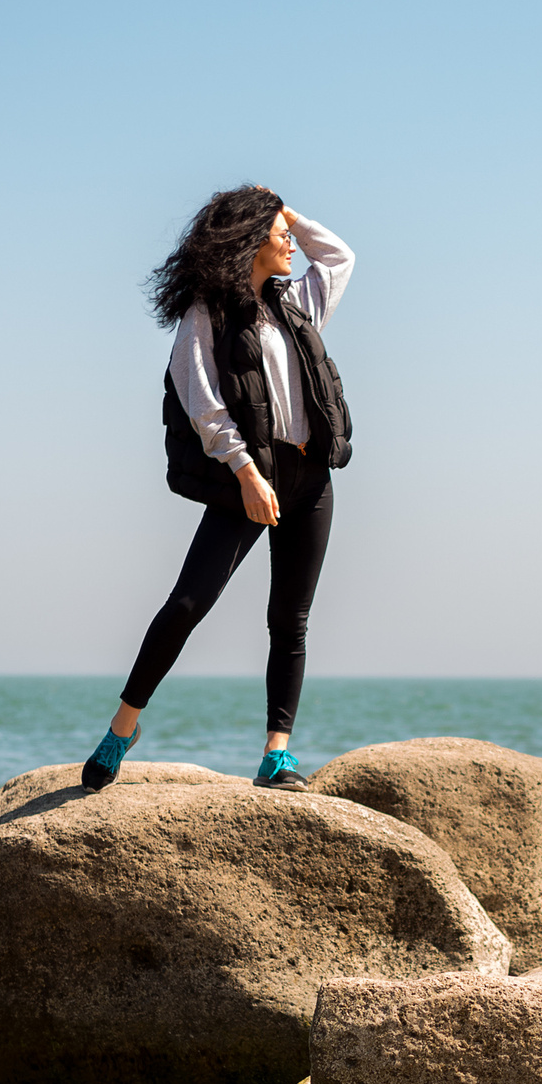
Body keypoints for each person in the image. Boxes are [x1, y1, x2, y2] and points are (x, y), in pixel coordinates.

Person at [80, 186, 354, 792]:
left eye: (286, 231)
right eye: (278, 233)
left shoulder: (297, 303)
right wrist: (247, 474)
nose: (289, 242)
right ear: (249, 241)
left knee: (291, 619)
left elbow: (337, 258)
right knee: (187, 602)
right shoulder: (206, 313)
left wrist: (288, 212)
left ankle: (276, 754)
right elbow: (203, 404)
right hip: (249, 478)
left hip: (310, 479)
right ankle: (123, 727)